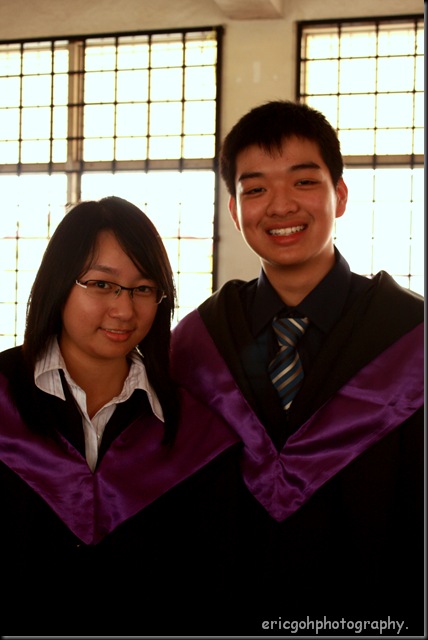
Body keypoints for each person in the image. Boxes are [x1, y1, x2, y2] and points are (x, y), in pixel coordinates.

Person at [170, 101, 424, 635]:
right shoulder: (199, 343)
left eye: (304, 181)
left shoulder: (411, 336)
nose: (280, 205)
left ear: (340, 195)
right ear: (235, 210)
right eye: (255, 189)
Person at [0, 196, 239, 635]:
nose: (125, 310)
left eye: (143, 288)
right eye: (101, 284)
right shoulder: (4, 400)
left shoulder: (193, 432)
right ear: (59, 283)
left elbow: (210, 585)